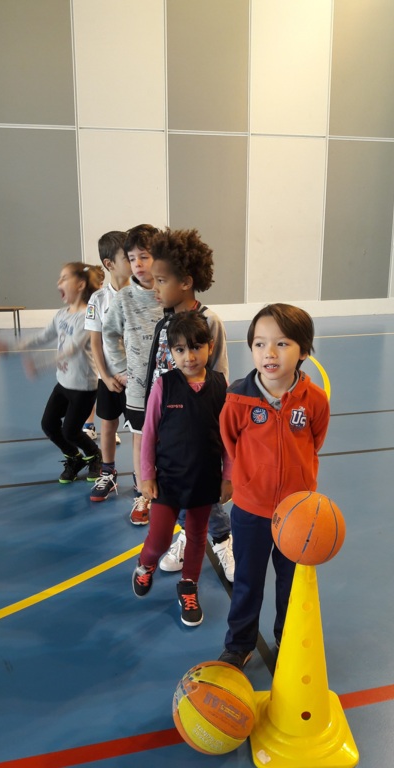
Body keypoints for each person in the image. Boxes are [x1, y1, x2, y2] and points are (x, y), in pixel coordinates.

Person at [218, 303, 330, 669]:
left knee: (291, 584)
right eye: (260, 344)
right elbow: (231, 442)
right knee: (247, 582)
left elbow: (315, 440)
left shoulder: (314, 400)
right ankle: (239, 644)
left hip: (298, 513)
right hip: (251, 510)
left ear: (303, 350)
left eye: (282, 344)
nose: (269, 353)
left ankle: (288, 639)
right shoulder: (237, 398)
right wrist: (250, 480)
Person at [144, 227, 235, 581]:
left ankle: (222, 539)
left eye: (161, 280)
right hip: (171, 426)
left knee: (206, 497)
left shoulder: (209, 321)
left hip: (201, 426)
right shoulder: (164, 322)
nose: (154, 288)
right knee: (177, 493)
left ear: (185, 282)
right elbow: (156, 370)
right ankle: (187, 535)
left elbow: (219, 379)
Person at [132, 311, 232, 626]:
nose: (189, 357)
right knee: (160, 539)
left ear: (210, 346)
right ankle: (145, 564)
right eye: (180, 349)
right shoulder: (164, 386)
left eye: (196, 347)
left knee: (197, 536)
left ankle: (189, 585)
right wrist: (147, 476)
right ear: (171, 352)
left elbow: (229, 439)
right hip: (168, 482)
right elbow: (149, 433)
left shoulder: (220, 386)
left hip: (204, 480)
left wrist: (228, 477)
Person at [0, 263, 104, 483]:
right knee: (49, 425)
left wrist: (40, 365)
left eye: (64, 278)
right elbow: (42, 337)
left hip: (83, 386)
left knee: (71, 431)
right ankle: (74, 458)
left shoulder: (88, 316)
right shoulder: (61, 314)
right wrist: (12, 347)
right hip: (63, 382)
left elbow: (72, 349)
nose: (58, 282)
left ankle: (94, 455)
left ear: (80, 285)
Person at [102, 224, 163, 517]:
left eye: (144, 256)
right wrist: (120, 369)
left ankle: (168, 490)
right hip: (137, 388)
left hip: (170, 387)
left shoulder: (169, 294)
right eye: (132, 258)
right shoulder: (124, 298)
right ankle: (142, 493)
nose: (137, 264)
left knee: (170, 438)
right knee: (140, 438)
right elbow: (109, 333)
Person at [85, 231, 132, 501]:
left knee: (142, 430)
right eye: (127, 257)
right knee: (107, 425)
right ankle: (108, 472)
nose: (134, 261)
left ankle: (143, 476)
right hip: (110, 380)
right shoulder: (98, 300)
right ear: (109, 264)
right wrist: (105, 376)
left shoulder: (144, 295)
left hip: (137, 380)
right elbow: (95, 343)